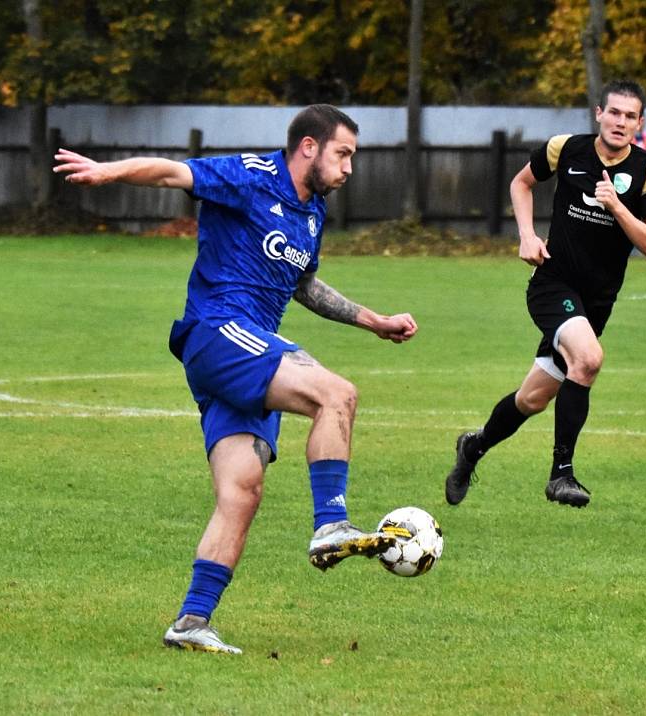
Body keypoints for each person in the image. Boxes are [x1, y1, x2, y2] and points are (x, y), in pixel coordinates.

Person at [53, 104, 418, 655]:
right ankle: (331, 524)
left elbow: (305, 286)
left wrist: (374, 321)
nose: (349, 169)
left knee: (242, 491)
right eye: (343, 154)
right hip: (220, 331)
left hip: (246, 355)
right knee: (336, 394)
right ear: (310, 147)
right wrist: (109, 172)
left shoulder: (312, 212)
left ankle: (191, 622)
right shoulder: (251, 175)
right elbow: (173, 172)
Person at [444, 80, 646, 509]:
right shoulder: (565, 149)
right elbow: (520, 184)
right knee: (589, 358)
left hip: (595, 303)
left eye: (629, 116)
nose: (620, 122)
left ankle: (473, 447)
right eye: (614, 112)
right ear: (598, 112)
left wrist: (618, 207)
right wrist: (526, 235)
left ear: (640, 123)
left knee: (532, 398)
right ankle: (561, 475)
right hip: (552, 286)